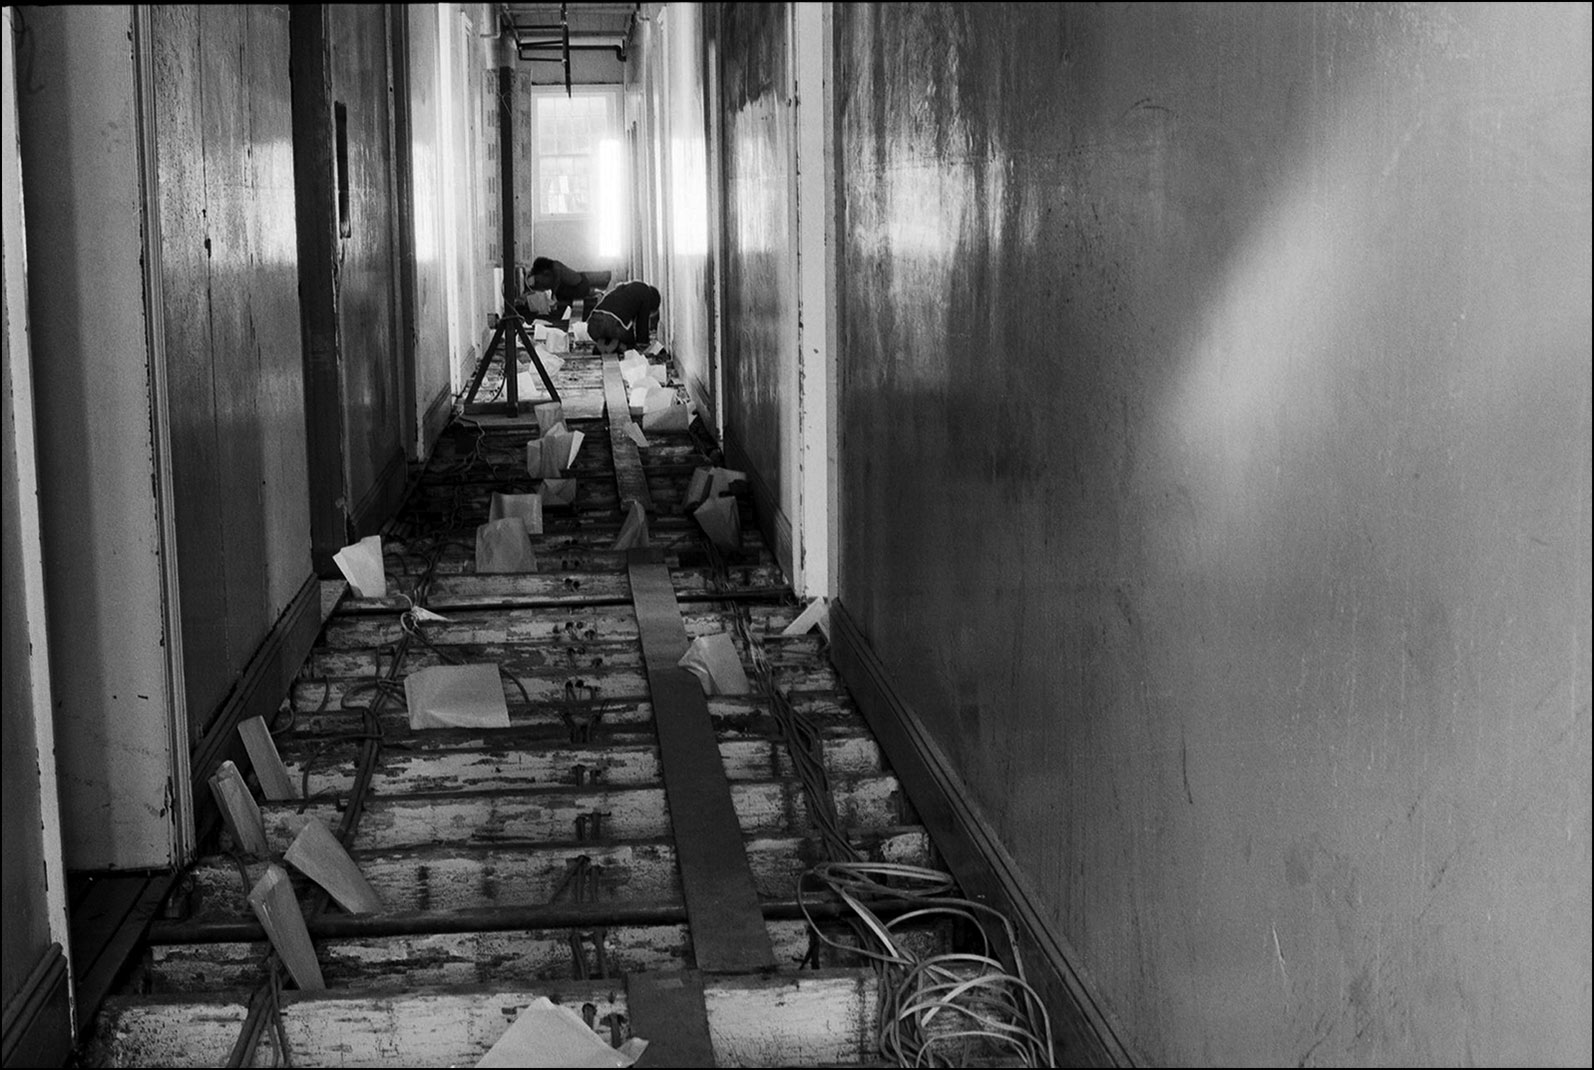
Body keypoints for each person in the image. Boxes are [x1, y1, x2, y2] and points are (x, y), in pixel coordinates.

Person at [585, 281, 661, 354]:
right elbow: (642, 324)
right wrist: (643, 344)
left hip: (593, 326)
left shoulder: (624, 289)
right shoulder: (646, 292)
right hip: (613, 325)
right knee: (630, 343)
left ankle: (603, 346)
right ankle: (619, 347)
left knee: (612, 332)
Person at [526, 257, 610, 322]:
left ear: (545, 272)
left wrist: (552, 297)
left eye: (538, 281)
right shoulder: (550, 274)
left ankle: (597, 295)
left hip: (580, 286)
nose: (541, 284)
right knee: (558, 298)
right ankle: (595, 294)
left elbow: (555, 285)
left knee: (559, 298)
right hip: (578, 285)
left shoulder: (556, 267)